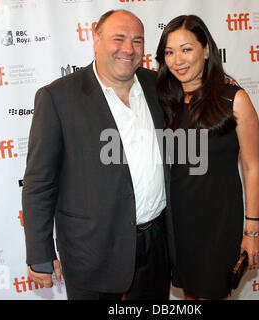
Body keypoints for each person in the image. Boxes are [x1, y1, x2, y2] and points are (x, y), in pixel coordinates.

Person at [22, 9, 175, 300]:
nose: (128, 49)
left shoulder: (159, 86)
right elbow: (39, 182)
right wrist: (39, 251)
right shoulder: (57, 98)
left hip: (156, 242)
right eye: (119, 38)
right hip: (92, 248)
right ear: (95, 39)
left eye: (137, 41)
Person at [155, 15, 259, 300]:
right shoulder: (164, 101)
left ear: (206, 50)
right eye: (169, 51)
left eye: (186, 49)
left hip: (218, 219)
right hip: (176, 220)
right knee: (190, 293)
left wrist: (251, 231)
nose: (177, 60)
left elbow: (251, 167)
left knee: (211, 293)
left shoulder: (234, 99)